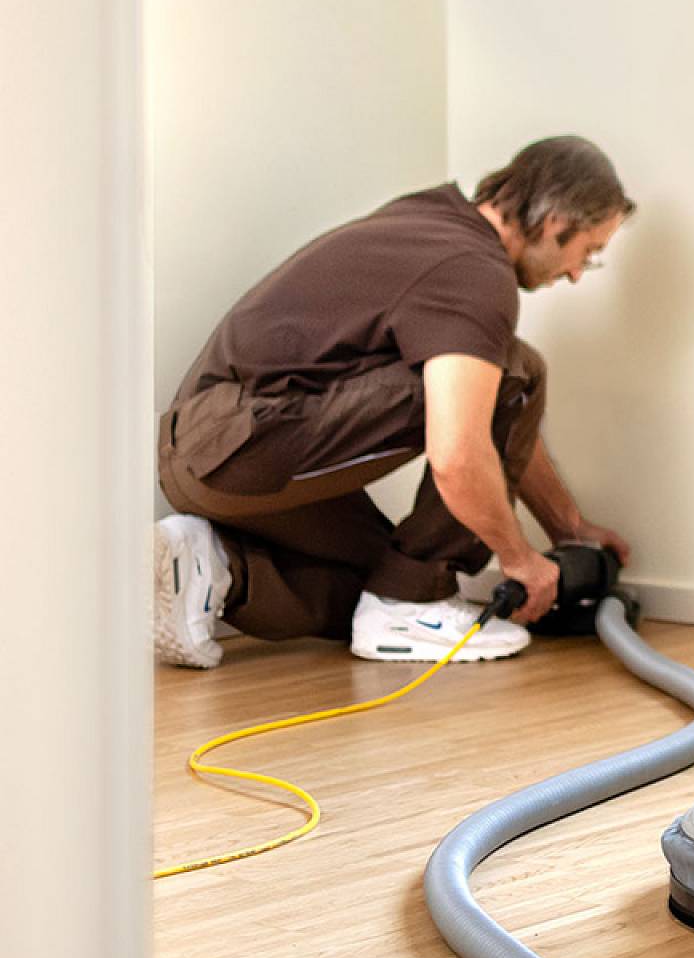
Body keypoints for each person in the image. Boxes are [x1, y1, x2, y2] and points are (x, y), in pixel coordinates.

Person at [154, 135, 635, 667]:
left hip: (207, 454)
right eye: (586, 254)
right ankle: (412, 603)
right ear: (552, 222)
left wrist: (569, 527)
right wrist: (519, 559)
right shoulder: (474, 271)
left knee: (382, 583)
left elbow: (499, 424)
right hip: (240, 444)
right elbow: (460, 453)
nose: (573, 274)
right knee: (517, 371)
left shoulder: (432, 220)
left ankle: (214, 568)